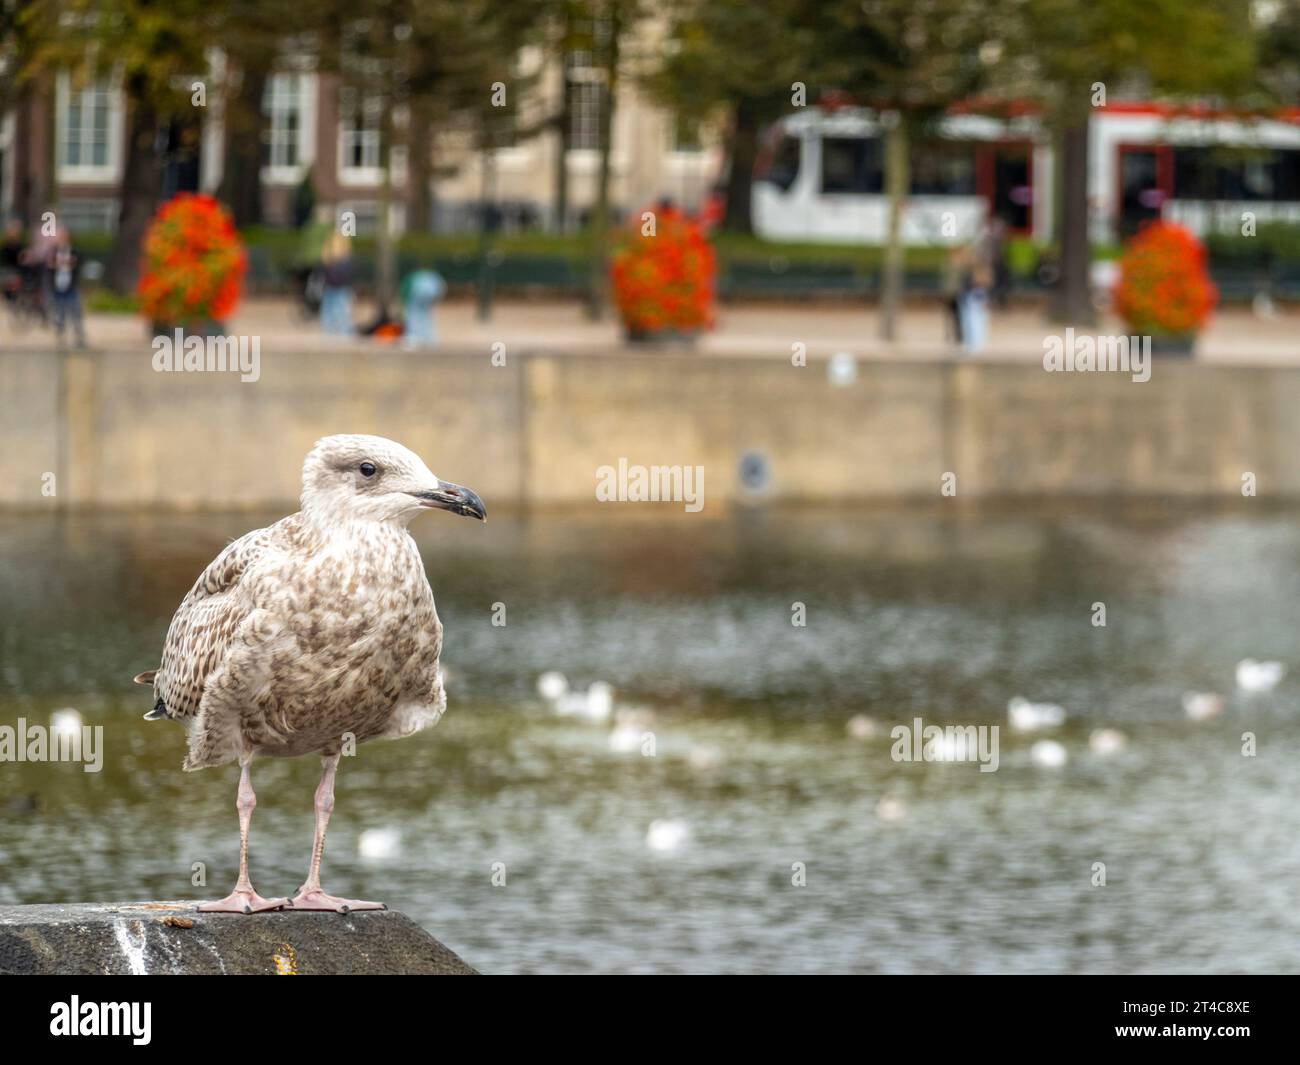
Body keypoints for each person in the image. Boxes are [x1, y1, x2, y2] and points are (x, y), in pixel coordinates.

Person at [46, 226, 86, 348]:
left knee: (75, 313)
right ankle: (61, 338)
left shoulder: (74, 251)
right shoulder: (54, 252)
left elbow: (77, 264)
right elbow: (49, 267)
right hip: (58, 287)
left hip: (71, 287)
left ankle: (79, 338)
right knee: (59, 314)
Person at [319, 232, 355, 337]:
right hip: (338, 288)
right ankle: (341, 331)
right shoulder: (342, 260)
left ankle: (333, 331)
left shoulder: (329, 259)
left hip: (334, 288)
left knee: (333, 311)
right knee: (340, 310)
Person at [400, 268, 446, 348]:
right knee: (425, 316)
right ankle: (429, 338)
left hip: (417, 294)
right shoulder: (430, 278)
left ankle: (416, 337)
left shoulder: (411, 280)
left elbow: (405, 294)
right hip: (430, 291)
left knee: (414, 315)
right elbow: (440, 290)